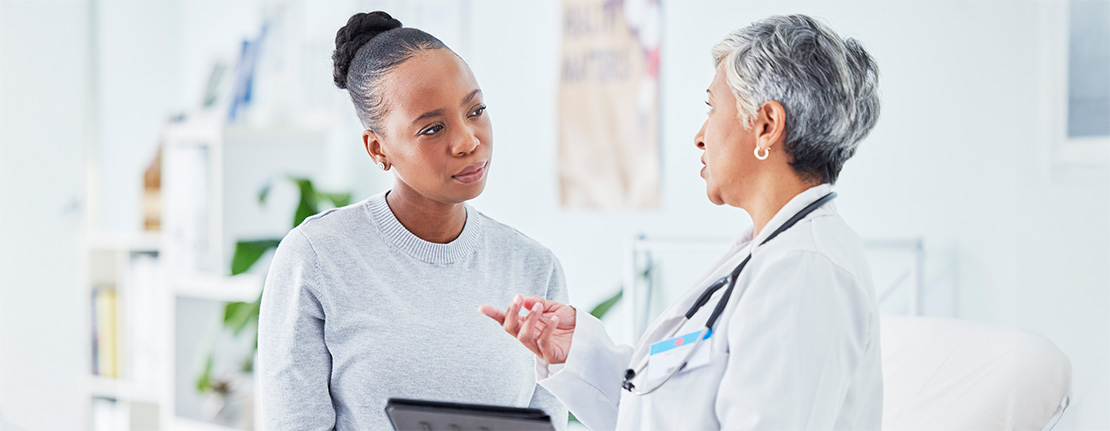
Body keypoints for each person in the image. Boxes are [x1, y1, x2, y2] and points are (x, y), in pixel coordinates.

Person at [480, 14, 883, 430]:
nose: (700, 135)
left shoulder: (805, 270)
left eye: (712, 107)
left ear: (766, 126)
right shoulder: (767, 256)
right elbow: (668, 411)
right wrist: (578, 353)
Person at [258, 11, 568, 430]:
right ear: (377, 148)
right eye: (432, 128)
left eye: (475, 110)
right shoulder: (316, 258)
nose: (468, 141)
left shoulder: (535, 267)